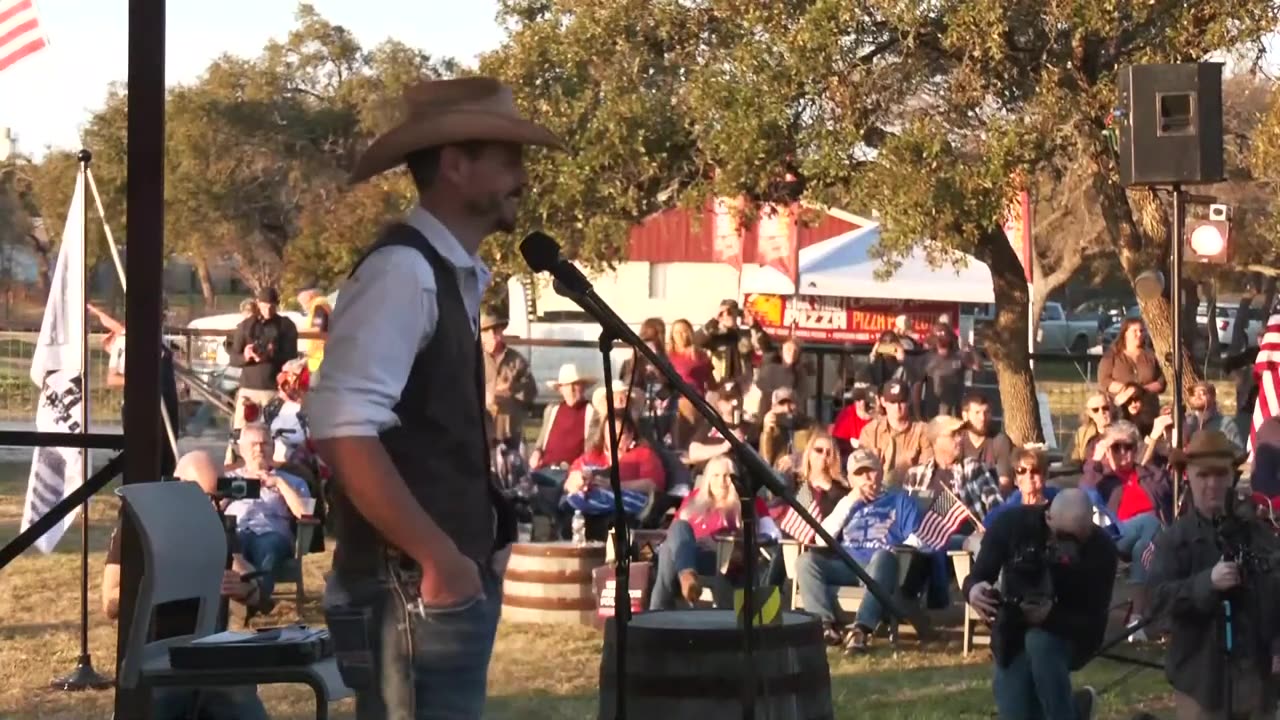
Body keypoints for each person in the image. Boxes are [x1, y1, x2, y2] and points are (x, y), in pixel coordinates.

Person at [304, 76, 562, 719]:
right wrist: (437, 556)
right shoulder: (404, 271)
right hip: (409, 586)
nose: (522, 177)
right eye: (508, 158)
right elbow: (342, 426)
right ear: (455, 164)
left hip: (428, 581)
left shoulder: (443, 272)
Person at [1148, 430, 1280, 719]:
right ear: (1188, 477)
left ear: (1232, 477)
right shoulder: (1174, 540)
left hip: (1256, 680)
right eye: (1203, 475)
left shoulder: (1258, 534)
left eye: (1220, 475)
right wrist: (1206, 583)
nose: (1212, 484)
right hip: (1200, 682)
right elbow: (1156, 606)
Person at [963, 489, 1114, 720]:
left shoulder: (1101, 548)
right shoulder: (1013, 524)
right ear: (1048, 517)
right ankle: (1075, 710)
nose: (1066, 545)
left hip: (1069, 633)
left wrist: (1049, 617)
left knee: (1040, 642)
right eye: (1062, 535)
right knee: (1016, 712)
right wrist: (975, 591)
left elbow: (1094, 624)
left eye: (1076, 539)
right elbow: (978, 575)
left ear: (1090, 527)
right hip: (1014, 629)